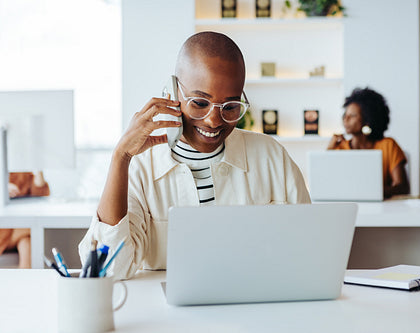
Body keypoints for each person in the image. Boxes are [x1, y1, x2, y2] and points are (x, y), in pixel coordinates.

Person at [79, 31, 311, 280]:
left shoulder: (272, 157)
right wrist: (120, 157)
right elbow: (108, 270)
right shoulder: (141, 167)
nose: (213, 120)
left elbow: (310, 250)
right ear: (172, 92)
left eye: (230, 107)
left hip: (253, 310)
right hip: (170, 315)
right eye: (200, 103)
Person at [327, 87, 410, 198]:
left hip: (383, 208)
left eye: (352, 116)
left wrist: (372, 193)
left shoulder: (388, 145)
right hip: (348, 205)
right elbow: (328, 185)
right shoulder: (339, 148)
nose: (345, 119)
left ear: (368, 119)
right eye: (345, 115)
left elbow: (403, 187)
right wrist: (328, 152)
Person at [0, 171, 50, 268]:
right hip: (6, 230)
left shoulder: (22, 174)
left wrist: (39, 169)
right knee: (31, 230)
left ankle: (24, 278)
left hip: (16, 232)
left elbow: (41, 194)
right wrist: (2, 189)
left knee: (26, 242)